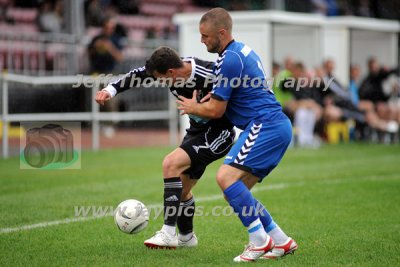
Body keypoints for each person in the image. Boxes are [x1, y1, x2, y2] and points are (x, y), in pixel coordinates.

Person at [177, 8, 297, 262]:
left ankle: (259, 241)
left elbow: (217, 109)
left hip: (264, 125)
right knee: (237, 188)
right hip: (275, 126)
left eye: (205, 36)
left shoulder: (229, 59)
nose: (202, 41)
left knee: (225, 177)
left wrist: (193, 107)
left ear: (222, 33)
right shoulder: (242, 51)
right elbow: (233, 96)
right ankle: (280, 240)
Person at [95, 46, 235, 249]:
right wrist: (110, 90)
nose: (160, 82)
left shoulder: (210, 73)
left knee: (170, 164)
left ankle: (168, 233)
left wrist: (202, 107)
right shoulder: (169, 69)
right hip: (196, 132)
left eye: (161, 79)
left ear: (170, 72)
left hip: (219, 134)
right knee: (183, 190)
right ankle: (187, 238)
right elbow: (138, 75)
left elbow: (234, 99)